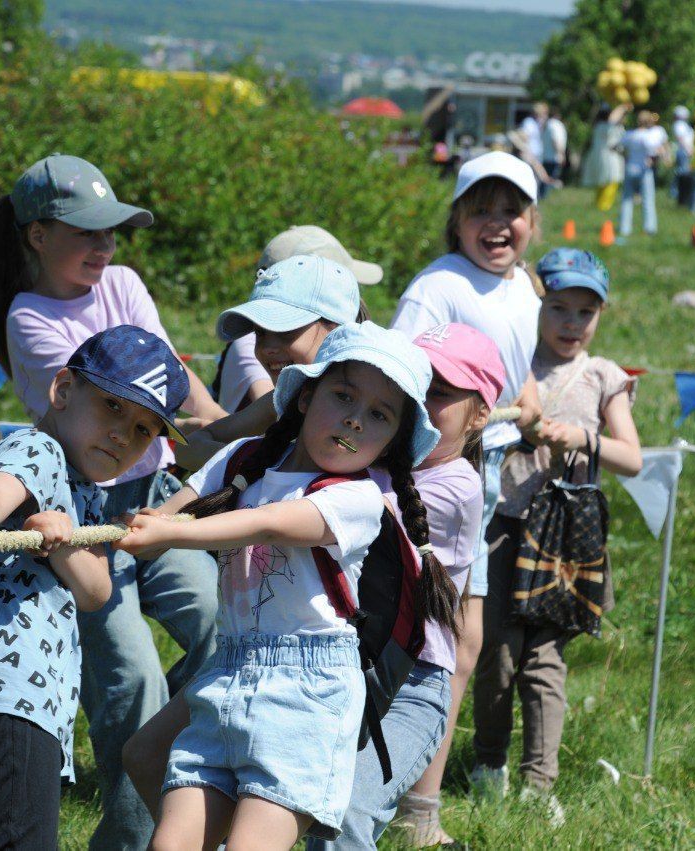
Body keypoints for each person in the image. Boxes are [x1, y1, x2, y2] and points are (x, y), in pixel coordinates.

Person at [0, 153, 224, 849]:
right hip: (80, 516)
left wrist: (229, 435)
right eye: (86, 232)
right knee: (131, 682)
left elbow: (173, 384)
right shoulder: (29, 316)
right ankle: (131, 836)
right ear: (37, 236)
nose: (104, 246)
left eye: (112, 231)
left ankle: (174, 760)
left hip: (158, 501)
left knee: (222, 629)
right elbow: (112, 419)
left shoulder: (127, 282)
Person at [117, 321, 451, 848]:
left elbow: (271, 523)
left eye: (379, 416)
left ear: (391, 443)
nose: (354, 420)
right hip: (227, 671)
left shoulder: (360, 501)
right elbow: (163, 523)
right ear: (305, 397)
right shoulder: (244, 459)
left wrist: (174, 533)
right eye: (343, 396)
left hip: (308, 692)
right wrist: (83, 533)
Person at [0, 326, 191, 850]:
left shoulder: (83, 496)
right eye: (112, 407)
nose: (124, 435)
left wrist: (61, 545)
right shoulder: (39, 450)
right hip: (4, 708)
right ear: (62, 391)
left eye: (145, 430)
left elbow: (97, 591)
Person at [318, 324, 505, 850]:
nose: (421, 404)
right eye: (413, 388)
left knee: (345, 812)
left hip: (410, 686)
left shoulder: (456, 487)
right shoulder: (370, 458)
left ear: (480, 414)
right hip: (334, 662)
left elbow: (342, 511)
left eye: (441, 394)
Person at [473, 249, 643, 826]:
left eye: (585, 312)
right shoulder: (506, 362)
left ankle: (538, 783)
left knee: (544, 657)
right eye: (559, 308)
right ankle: (487, 764)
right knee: (495, 651)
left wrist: (583, 439)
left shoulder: (603, 377)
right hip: (500, 526)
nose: (571, 324)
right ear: (534, 308)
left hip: (564, 538)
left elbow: (633, 458)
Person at [390, 152, 544, 742]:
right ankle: (415, 800)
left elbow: (516, 366)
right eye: (482, 210)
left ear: (532, 220)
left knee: (463, 633)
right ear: (456, 220)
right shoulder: (439, 285)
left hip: (497, 465)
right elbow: (403, 376)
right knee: (453, 633)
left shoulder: (523, 287)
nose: (498, 223)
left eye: (512, 210)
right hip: (448, 466)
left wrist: (528, 397)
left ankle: (416, 791)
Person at [212, 227, 382, 415]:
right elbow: (271, 415)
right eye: (260, 332)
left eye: (285, 330)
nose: (267, 346)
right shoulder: (290, 395)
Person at [618, 110, 666, 236]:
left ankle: (625, 228)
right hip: (644, 170)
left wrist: (626, 156)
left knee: (627, 200)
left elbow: (618, 147)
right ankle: (650, 228)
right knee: (648, 199)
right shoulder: (650, 136)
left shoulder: (630, 134)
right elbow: (656, 151)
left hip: (630, 168)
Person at [580, 104, 630, 211]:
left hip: (599, 155)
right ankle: (604, 206)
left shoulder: (597, 126)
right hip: (610, 157)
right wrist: (622, 107)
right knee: (612, 180)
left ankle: (598, 205)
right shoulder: (608, 126)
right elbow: (613, 122)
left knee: (602, 181)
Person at [671, 105, 695, 205]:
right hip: (683, 150)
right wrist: (688, 149)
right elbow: (680, 138)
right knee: (681, 172)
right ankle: (675, 193)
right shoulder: (679, 124)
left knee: (683, 172)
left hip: (686, 150)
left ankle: (678, 193)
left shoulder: (682, 124)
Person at [542, 109, 568, 186]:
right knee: (550, 180)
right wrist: (561, 154)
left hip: (546, 156)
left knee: (546, 179)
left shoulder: (547, 124)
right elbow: (555, 141)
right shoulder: (555, 125)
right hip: (554, 157)